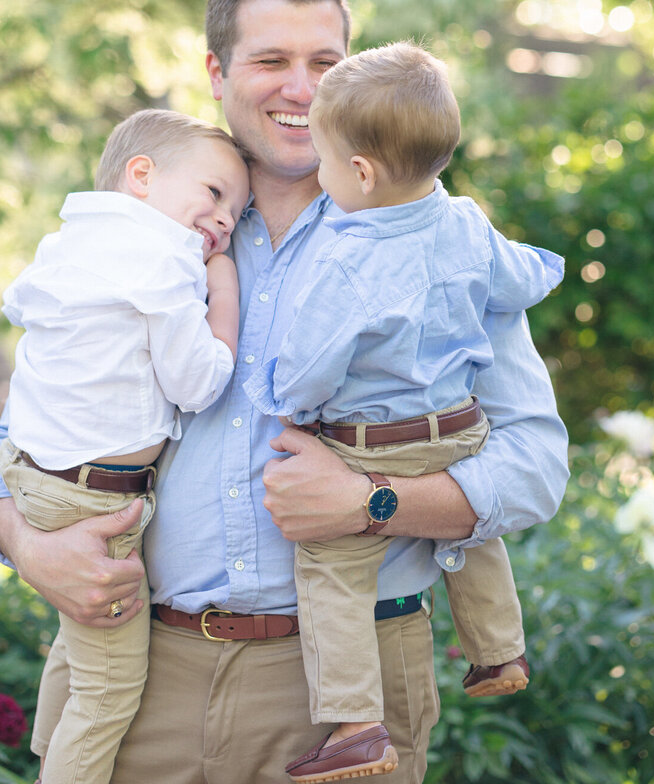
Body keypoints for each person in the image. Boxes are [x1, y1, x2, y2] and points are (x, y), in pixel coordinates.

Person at [0, 0, 570, 784]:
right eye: (271, 61)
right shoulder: (161, 228)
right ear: (216, 71)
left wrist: (374, 501)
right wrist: (22, 541)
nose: (301, 87)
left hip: (347, 697)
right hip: (143, 670)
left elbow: (535, 465)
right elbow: (21, 426)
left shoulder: (433, 241)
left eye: (324, 63)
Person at [242, 43, 563, 781]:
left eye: (326, 163)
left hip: (374, 446)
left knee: (331, 567)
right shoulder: (469, 224)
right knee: (475, 538)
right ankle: (496, 652)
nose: (322, 177)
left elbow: (311, 363)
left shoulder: (347, 260)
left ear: (359, 172)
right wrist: (545, 270)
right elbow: (514, 276)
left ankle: (356, 723)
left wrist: (287, 403)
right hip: (458, 432)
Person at [0, 110, 249, 784]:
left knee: (79, 664)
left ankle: (50, 761)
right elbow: (198, 382)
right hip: (91, 502)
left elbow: (19, 303)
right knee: (106, 695)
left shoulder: (71, 242)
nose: (225, 221)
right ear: (143, 177)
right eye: (216, 194)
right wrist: (221, 293)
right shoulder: (162, 259)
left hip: (38, 477)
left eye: (238, 210)